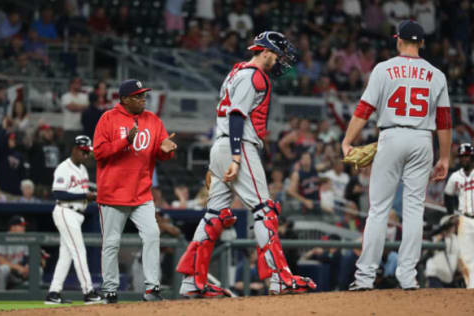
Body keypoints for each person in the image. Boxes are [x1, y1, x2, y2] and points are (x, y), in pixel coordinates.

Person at [176, 31, 316, 298]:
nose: (279, 61)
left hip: (221, 145)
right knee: (265, 210)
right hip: (237, 145)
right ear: (265, 51)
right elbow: (237, 115)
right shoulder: (253, 76)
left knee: (213, 215)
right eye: (277, 55)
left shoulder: (236, 73)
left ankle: (192, 281)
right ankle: (279, 279)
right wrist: (237, 157)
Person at [342, 20, 452, 291]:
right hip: (421, 139)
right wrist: (445, 158)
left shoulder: (384, 69)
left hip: (390, 136)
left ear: (398, 40)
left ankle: (366, 277)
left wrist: (347, 141)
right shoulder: (436, 74)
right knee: (414, 209)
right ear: (422, 43)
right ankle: (408, 276)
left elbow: (365, 109)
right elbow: (445, 121)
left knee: (378, 209)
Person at [93, 79, 177, 303]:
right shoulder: (108, 118)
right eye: (138, 96)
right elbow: (98, 153)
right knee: (111, 243)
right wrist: (124, 141)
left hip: (141, 193)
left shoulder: (152, 120)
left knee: (152, 235)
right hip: (112, 195)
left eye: (144, 95)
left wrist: (167, 150)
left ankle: (152, 289)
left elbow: (161, 149)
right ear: (125, 99)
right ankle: (109, 290)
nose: (143, 99)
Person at [44, 135, 103, 305]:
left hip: (77, 214)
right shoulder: (63, 168)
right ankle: (88, 291)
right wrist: (85, 195)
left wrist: (92, 195)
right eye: (83, 151)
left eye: (87, 153)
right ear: (75, 149)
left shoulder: (83, 170)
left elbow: (84, 192)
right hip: (65, 211)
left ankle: (53, 293)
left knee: (66, 255)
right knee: (79, 251)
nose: (85, 155)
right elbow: (58, 193)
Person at [444, 143, 474, 288]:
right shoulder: (455, 176)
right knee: (466, 256)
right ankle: (471, 288)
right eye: (462, 157)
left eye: (467, 156)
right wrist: (452, 215)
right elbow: (448, 195)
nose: (464, 159)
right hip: (465, 218)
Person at [0, 216, 30, 291]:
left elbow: (27, 259)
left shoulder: (24, 240)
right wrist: (19, 268)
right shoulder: (1, 238)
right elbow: (1, 262)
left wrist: (27, 267)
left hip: (14, 273)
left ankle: (31, 297)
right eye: (21, 226)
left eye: (24, 226)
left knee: (36, 270)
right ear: (12, 227)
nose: (24, 228)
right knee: (4, 268)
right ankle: (0, 296)